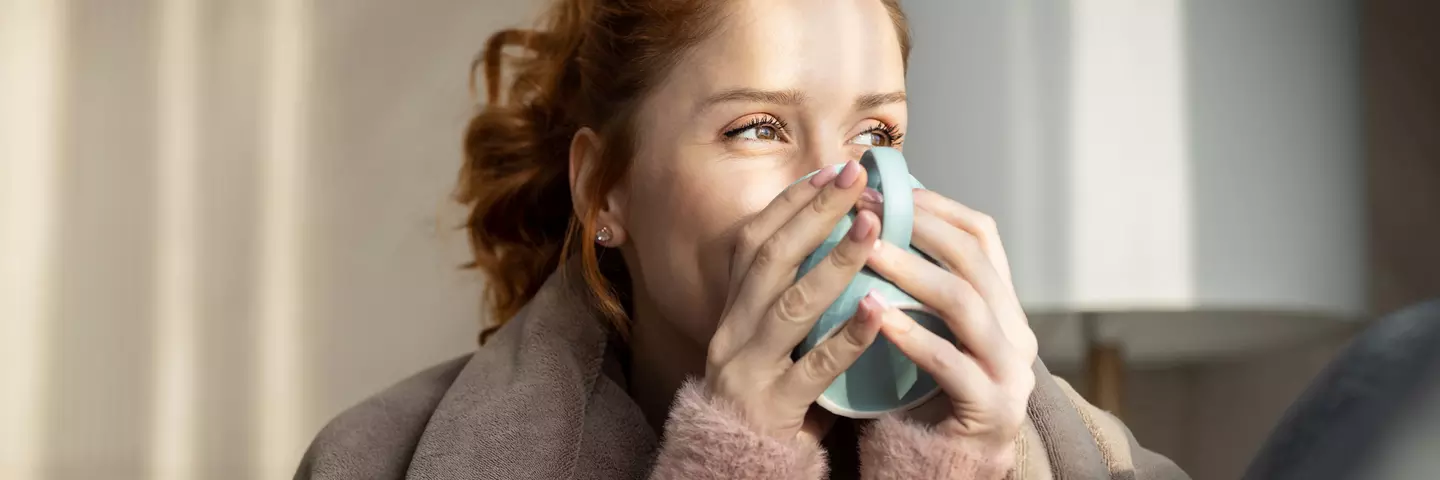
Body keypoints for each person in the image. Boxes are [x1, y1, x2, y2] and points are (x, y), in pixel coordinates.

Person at [297, 0, 1189, 478]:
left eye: (876, 134)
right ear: (602, 189)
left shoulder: (1096, 458)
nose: (841, 186)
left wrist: (969, 466)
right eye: (758, 127)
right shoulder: (372, 460)